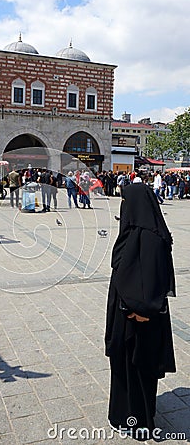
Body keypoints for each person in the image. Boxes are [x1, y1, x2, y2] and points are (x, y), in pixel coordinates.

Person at [105, 182, 176, 438]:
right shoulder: (132, 233)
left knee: (138, 369)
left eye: (125, 202)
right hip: (126, 315)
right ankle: (121, 414)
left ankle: (138, 420)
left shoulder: (151, 239)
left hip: (139, 318)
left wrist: (139, 309)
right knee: (123, 368)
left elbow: (156, 280)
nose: (123, 207)